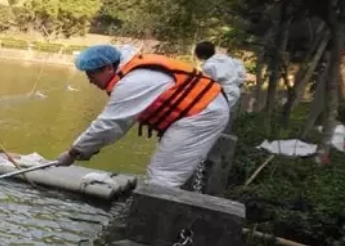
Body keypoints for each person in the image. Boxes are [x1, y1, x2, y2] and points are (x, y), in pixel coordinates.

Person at [56, 44, 230, 189]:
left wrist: (74, 152)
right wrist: (88, 149)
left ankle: (154, 225)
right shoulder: (129, 72)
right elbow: (114, 126)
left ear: (108, 68)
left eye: (91, 75)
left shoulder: (132, 83)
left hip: (202, 113)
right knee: (161, 171)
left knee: (163, 177)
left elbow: (109, 125)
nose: (90, 81)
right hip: (200, 109)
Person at [194, 41, 248, 111]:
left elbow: (208, 84)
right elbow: (241, 72)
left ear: (203, 56)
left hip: (223, 94)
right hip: (235, 91)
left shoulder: (208, 66)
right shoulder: (226, 59)